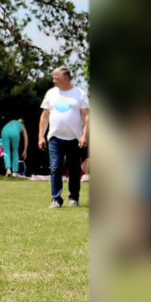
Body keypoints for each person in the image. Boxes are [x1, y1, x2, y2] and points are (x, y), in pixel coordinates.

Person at [38, 66, 90, 208]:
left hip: (74, 138)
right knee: (55, 167)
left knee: (74, 169)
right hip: (55, 137)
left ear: (66, 79)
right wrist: (41, 136)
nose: (53, 80)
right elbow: (44, 116)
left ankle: (74, 197)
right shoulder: (51, 93)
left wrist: (84, 135)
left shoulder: (80, 93)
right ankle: (56, 199)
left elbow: (86, 116)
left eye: (56, 78)